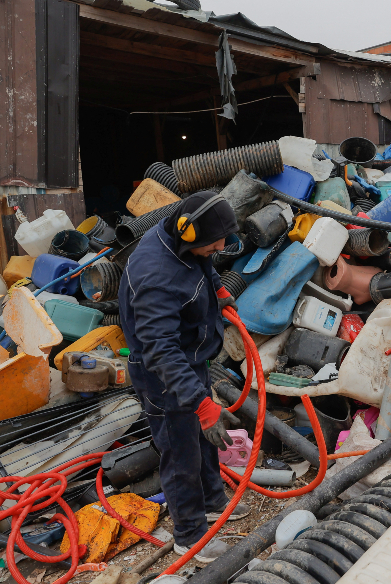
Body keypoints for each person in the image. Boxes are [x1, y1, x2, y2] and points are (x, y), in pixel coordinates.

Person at [119, 192, 249, 563]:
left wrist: (217, 288)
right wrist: (199, 402)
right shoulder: (155, 276)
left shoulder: (179, 240)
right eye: (214, 245)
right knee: (181, 455)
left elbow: (200, 264)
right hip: (163, 374)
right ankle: (190, 536)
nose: (219, 249)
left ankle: (210, 501)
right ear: (187, 234)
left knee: (205, 437)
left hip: (188, 360)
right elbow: (159, 348)